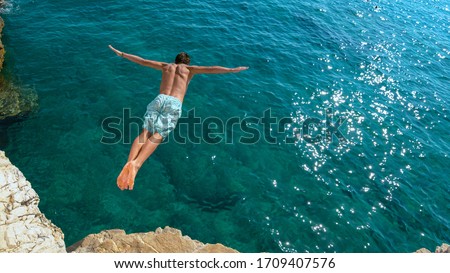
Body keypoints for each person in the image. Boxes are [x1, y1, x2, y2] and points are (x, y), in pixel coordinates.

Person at [109, 45, 248, 190]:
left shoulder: (165, 66)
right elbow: (212, 68)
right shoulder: (189, 69)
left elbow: (143, 61)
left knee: (144, 133)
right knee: (158, 135)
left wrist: (122, 54)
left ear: (175, 61)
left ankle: (129, 161)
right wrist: (232, 70)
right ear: (186, 63)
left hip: (160, 99)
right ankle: (136, 166)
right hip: (174, 103)